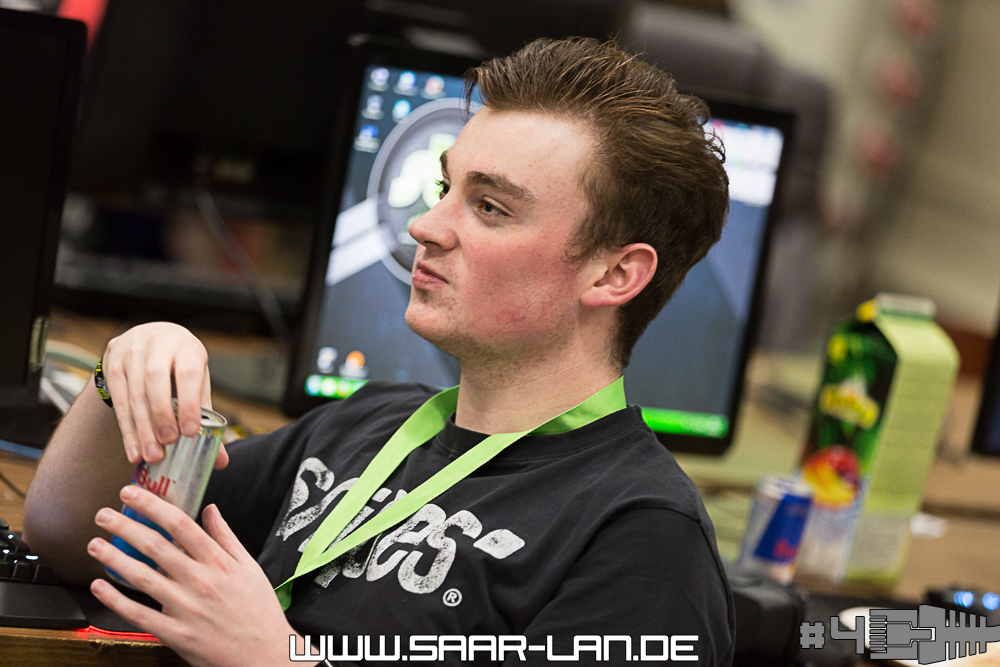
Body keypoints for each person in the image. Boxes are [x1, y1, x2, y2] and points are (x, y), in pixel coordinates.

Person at [23, 37, 733, 666]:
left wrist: (276, 660)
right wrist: (121, 373)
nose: (425, 225)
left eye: (490, 207)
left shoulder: (644, 540)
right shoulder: (367, 424)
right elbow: (69, 537)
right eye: (444, 187)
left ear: (614, 274)